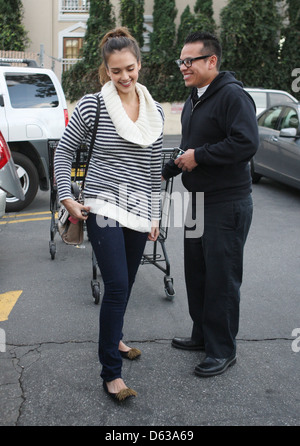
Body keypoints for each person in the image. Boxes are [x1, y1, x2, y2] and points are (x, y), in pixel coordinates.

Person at [54, 27, 164, 400]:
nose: (125, 77)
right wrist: (67, 197)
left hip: (138, 210)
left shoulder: (156, 111)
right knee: (116, 285)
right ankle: (110, 373)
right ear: (106, 70)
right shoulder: (92, 105)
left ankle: (115, 338)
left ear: (139, 65)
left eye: (130, 68)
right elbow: (63, 153)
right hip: (102, 204)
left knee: (127, 283)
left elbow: (153, 169)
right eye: (116, 71)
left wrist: (155, 215)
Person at [162, 31, 259, 377]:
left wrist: (199, 156)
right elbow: (192, 147)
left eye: (190, 61)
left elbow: (246, 143)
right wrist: (175, 164)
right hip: (198, 200)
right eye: (181, 61)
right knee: (198, 273)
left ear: (211, 61)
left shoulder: (233, 96)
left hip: (227, 202)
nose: (183, 67)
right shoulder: (194, 98)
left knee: (222, 277)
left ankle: (223, 349)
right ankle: (202, 335)